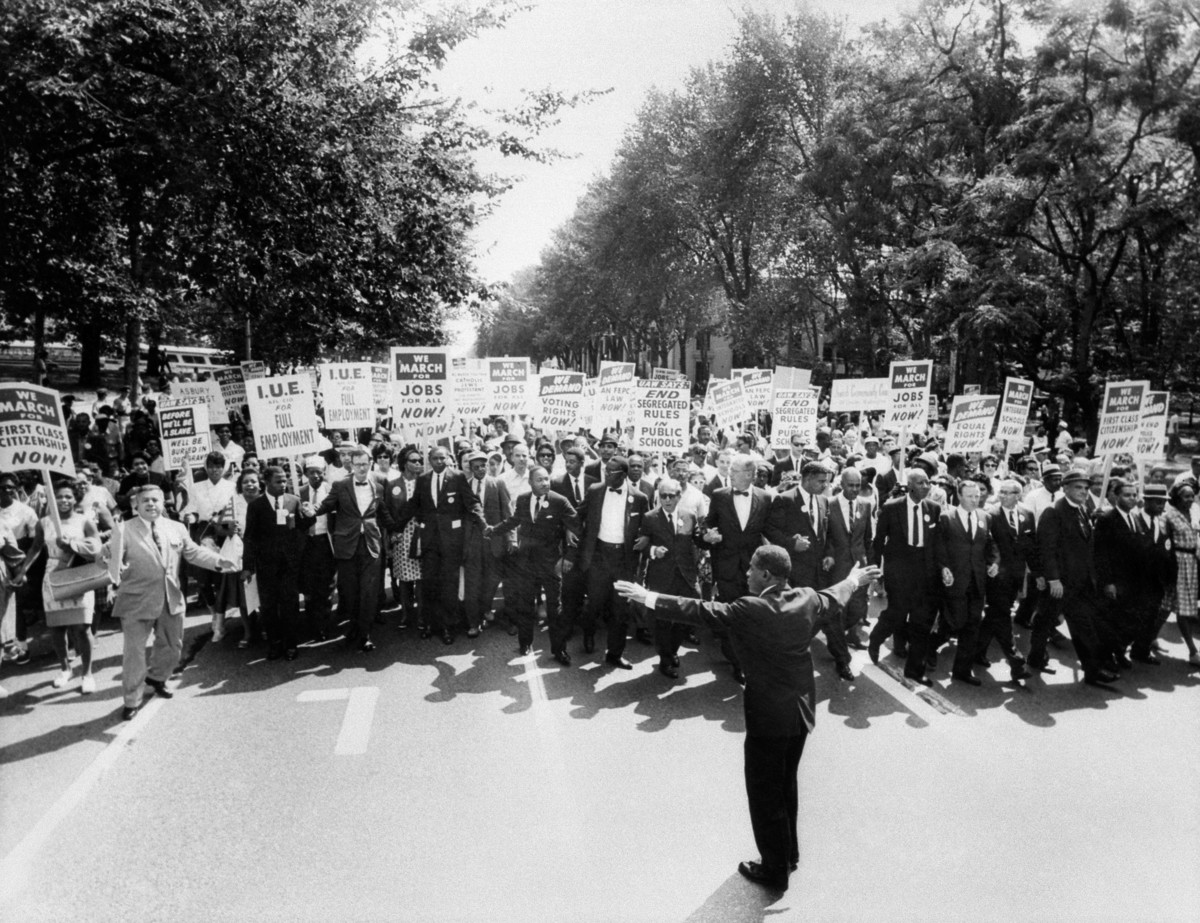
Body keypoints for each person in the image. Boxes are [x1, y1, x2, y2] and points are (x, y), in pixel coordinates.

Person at [615, 547, 880, 893]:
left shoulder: (750, 609)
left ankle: (774, 871)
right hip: (800, 712)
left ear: (767, 575)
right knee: (786, 784)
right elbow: (837, 595)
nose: (747, 574)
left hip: (768, 716)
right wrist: (856, 579)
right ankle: (789, 854)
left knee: (765, 793)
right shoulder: (808, 599)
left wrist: (647, 596)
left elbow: (698, 610)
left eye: (752, 569)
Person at [106, 485, 237, 719]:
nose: (151, 504)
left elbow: (194, 553)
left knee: (172, 647)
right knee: (134, 654)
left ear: (163, 503)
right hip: (136, 602)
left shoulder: (175, 528)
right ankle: (131, 701)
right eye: (145, 500)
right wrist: (112, 565)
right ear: (135, 505)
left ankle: (156, 678)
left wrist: (219, 562)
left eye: (156, 500)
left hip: (170, 597)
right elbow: (104, 557)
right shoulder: (123, 530)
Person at [765, 460, 854, 680]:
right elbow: (770, 528)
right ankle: (784, 660)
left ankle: (843, 661)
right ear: (806, 479)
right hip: (796, 572)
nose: (825, 485)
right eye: (821, 481)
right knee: (798, 618)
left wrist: (830, 554)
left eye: (826, 482)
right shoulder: (785, 500)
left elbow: (827, 534)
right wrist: (790, 543)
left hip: (820, 572)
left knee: (832, 613)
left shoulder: (824, 501)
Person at [1033, 469, 1120, 686]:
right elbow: (1046, 549)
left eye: (1086, 488)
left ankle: (1092, 671)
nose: (1083, 492)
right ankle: (1035, 658)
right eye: (1078, 487)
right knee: (1044, 622)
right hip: (1060, 584)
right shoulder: (1053, 512)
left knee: (1084, 626)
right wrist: (1053, 579)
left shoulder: (1083, 510)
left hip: (1080, 584)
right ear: (1065, 488)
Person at [391, 445, 484, 645]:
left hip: (451, 541)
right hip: (430, 540)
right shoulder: (423, 479)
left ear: (449, 458)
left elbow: (472, 502)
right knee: (430, 583)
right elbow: (413, 505)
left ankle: (447, 627)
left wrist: (483, 521)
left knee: (449, 585)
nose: (439, 462)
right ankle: (430, 625)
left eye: (443, 458)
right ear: (430, 460)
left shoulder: (458, 477)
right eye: (435, 458)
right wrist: (395, 526)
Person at [304, 448, 394, 652]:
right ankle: (353, 627)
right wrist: (313, 510)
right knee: (350, 592)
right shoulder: (341, 485)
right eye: (357, 464)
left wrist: (399, 526)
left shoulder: (378, 486)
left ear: (371, 464)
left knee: (369, 592)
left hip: (371, 545)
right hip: (347, 545)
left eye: (365, 464)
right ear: (351, 465)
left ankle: (365, 634)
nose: (362, 468)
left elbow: (384, 513)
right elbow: (326, 505)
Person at [487, 466, 580, 659]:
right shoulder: (522, 499)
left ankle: (559, 649)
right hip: (526, 564)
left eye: (547, 479)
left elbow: (577, 527)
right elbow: (513, 521)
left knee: (555, 608)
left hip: (551, 564)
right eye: (540, 480)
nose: (545, 483)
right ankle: (525, 644)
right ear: (530, 482)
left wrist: (569, 557)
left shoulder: (559, 501)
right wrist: (493, 530)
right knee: (525, 605)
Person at [703, 455, 772, 683]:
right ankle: (736, 662)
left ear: (750, 475)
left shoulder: (764, 497)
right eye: (730, 471)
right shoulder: (719, 496)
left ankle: (748, 655)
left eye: (735, 472)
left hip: (753, 570)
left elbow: (770, 531)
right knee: (732, 615)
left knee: (751, 616)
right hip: (727, 566)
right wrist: (708, 535)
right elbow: (708, 524)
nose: (729, 475)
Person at [869, 468, 941, 685]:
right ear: (910, 485)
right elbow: (878, 541)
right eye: (921, 483)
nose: (926, 486)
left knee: (921, 621)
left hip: (925, 570)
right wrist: (875, 570)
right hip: (899, 568)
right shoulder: (892, 508)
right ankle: (876, 639)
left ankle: (914, 670)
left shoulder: (934, 508)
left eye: (928, 482)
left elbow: (937, 543)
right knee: (897, 613)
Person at [27, 482, 102, 693]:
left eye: (68, 496)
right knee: (56, 627)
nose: (63, 500)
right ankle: (65, 669)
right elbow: (35, 548)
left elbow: (96, 547)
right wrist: (22, 571)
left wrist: (72, 545)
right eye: (59, 497)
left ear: (75, 498)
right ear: (52, 499)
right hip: (52, 574)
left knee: (83, 627)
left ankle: (87, 674)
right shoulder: (44, 522)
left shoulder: (84, 520)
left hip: (78, 572)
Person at [577, 456, 650, 667]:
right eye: (606, 471)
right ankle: (588, 635)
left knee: (621, 609)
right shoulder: (595, 490)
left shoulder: (639, 498)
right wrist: (567, 530)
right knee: (594, 602)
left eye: (611, 472)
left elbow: (648, 523)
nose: (606, 475)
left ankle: (615, 654)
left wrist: (646, 537)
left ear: (624, 475)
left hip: (623, 559)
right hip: (599, 555)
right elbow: (578, 515)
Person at [928, 480, 999, 685]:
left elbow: (990, 544)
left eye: (977, 496)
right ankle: (928, 646)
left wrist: (994, 562)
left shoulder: (985, 517)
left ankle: (962, 670)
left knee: (972, 626)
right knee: (953, 622)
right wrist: (943, 568)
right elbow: (938, 547)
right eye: (970, 496)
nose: (975, 499)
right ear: (959, 496)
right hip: (954, 581)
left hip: (977, 581)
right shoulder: (946, 518)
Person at [242, 466, 308, 661]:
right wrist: (248, 567)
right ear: (267, 483)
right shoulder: (256, 506)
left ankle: (291, 645)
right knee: (269, 607)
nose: (283, 484)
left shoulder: (293, 501)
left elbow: (303, 528)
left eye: (285, 480)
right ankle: (274, 644)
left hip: (289, 565)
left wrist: (309, 515)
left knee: (290, 605)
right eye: (278, 481)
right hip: (266, 566)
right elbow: (250, 538)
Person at [636, 478, 701, 679]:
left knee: (687, 619)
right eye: (662, 496)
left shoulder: (690, 516)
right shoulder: (649, 518)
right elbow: (641, 546)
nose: (666, 500)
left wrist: (707, 539)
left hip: (685, 577)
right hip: (661, 577)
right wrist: (654, 550)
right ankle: (665, 660)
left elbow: (697, 539)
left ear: (679, 496)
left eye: (671, 496)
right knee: (662, 622)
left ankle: (672, 650)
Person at [976, 479, 1034, 681]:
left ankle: (976, 650)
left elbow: (1030, 547)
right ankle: (1016, 661)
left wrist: (1039, 574)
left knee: (995, 615)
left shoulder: (1027, 515)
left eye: (1008, 493)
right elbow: (986, 545)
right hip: (996, 575)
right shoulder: (990, 515)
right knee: (1002, 616)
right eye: (1001, 492)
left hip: (1016, 576)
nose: (1002, 495)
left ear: (1018, 495)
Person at [462, 450, 512, 638]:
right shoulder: (465, 486)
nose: (480, 469)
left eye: (483, 465)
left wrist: (510, 538)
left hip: (495, 542)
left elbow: (508, 513)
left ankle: (485, 610)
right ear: (470, 468)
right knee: (472, 584)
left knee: (491, 582)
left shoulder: (497, 483)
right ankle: (473, 623)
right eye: (476, 466)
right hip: (473, 543)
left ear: (488, 465)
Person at [823, 467, 874, 651]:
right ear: (842, 484)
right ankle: (837, 642)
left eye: (857, 486)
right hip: (838, 563)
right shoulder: (829, 504)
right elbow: (825, 535)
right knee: (839, 605)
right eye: (850, 485)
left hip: (859, 563)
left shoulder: (866, 504)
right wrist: (828, 554)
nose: (854, 489)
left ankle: (852, 635)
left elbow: (868, 537)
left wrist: (869, 563)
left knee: (858, 604)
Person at [1160, 481, 1199, 665]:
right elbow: (1165, 543)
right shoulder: (1169, 515)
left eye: (1192, 496)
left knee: (1167, 606)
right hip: (1177, 563)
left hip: (1192, 563)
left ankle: (1145, 640)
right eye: (1186, 496)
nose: (1190, 499)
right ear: (1176, 497)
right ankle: (1193, 651)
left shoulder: (1193, 513)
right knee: (1183, 610)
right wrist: (1168, 566)